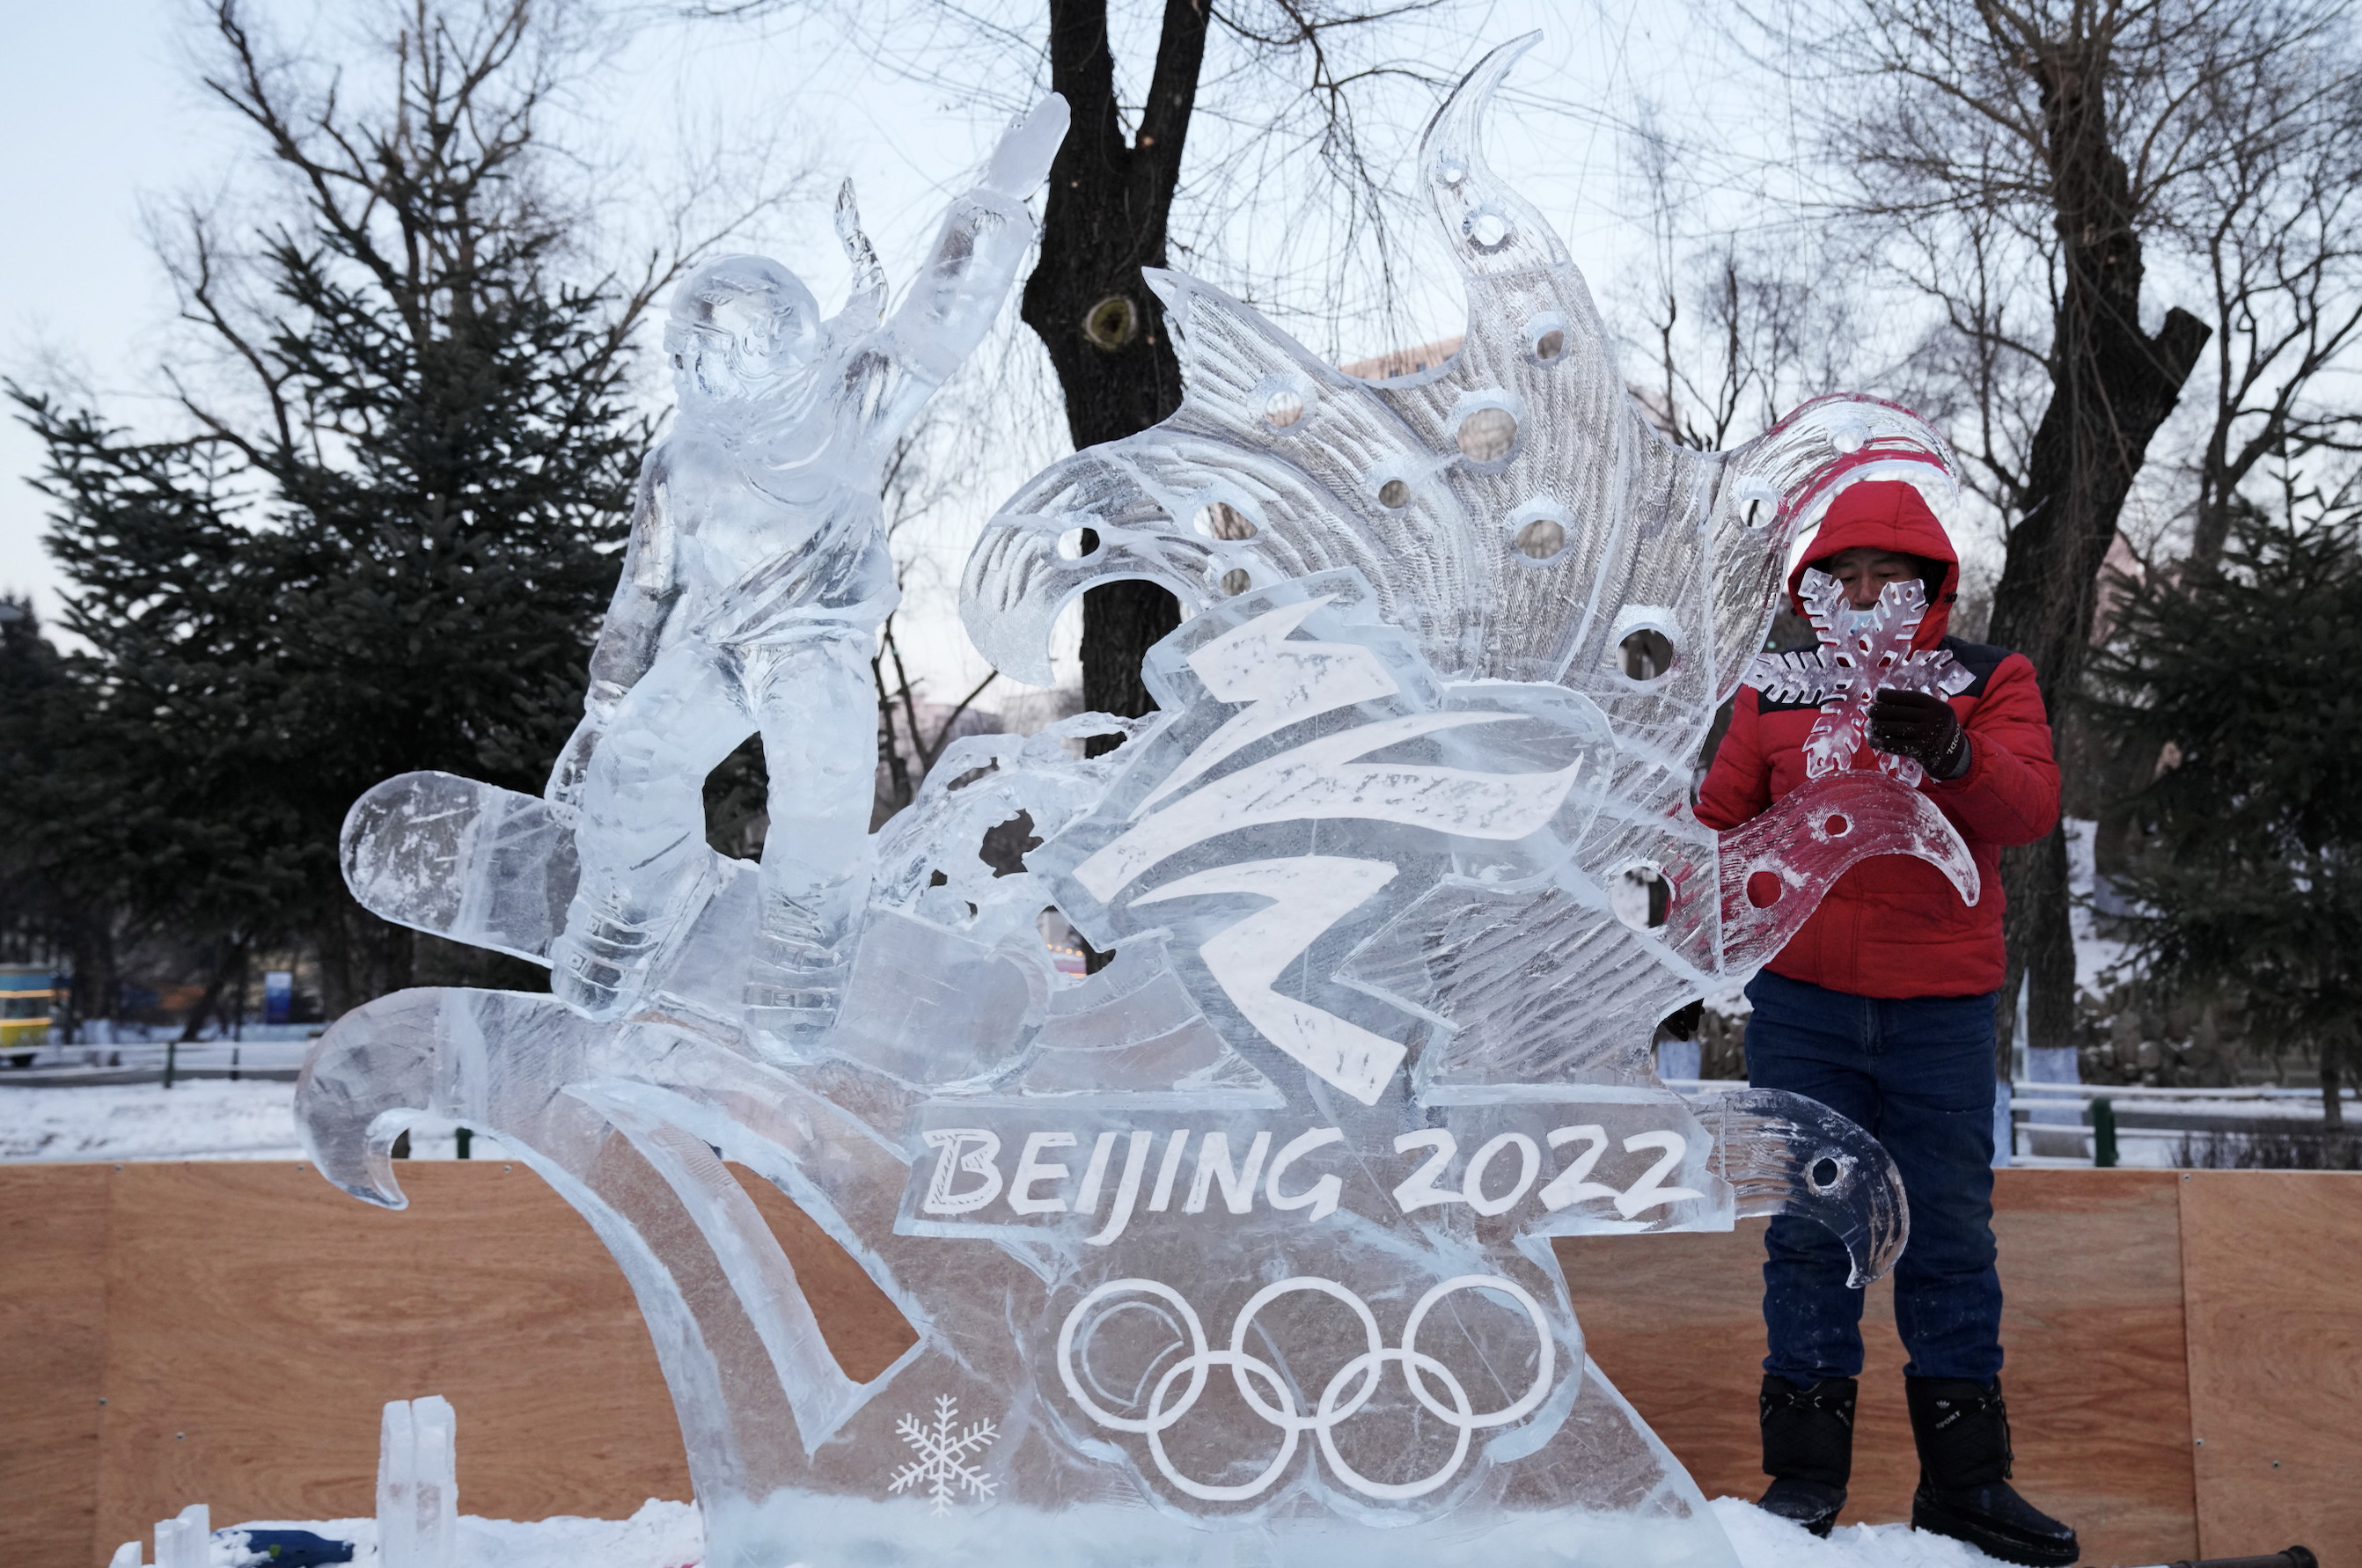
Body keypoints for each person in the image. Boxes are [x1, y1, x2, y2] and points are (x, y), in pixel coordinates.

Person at [544, 99, 1067, 1053]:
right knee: (638, 763)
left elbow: (937, 320)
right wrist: (604, 712)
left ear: (754, 351)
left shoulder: (846, 408)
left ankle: (801, 956)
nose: (676, 368)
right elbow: (645, 595)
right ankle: (637, 901)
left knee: (820, 797)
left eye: (692, 353)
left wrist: (996, 199)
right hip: (716, 650)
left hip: (815, 650)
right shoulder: (679, 460)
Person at [1693, 479, 2077, 1566]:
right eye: (1843, 575)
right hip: (1801, 1008)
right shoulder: (1771, 689)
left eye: (1887, 576)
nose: (1864, 594)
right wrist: (1673, 914)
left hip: (1939, 1012)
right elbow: (1715, 826)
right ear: (1811, 588)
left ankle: (1965, 1484)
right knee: (1809, 1235)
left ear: (1929, 587)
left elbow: (2029, 808)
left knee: (1947, 1236)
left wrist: (1955, 755)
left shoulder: (1988, 680)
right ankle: (1801, 1483)